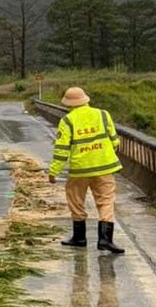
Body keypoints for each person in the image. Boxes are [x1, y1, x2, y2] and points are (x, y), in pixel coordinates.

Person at [48, 87, 124, 254]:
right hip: (104, 168)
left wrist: (54, 171)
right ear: (85, 99)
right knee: (106, 202)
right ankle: (105, 240)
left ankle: (79, 238)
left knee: (76, 200)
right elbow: (115, 141)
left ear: (68, 104)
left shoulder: (67, 121)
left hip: (79, 170)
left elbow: (61, 150)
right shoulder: (103, 115)